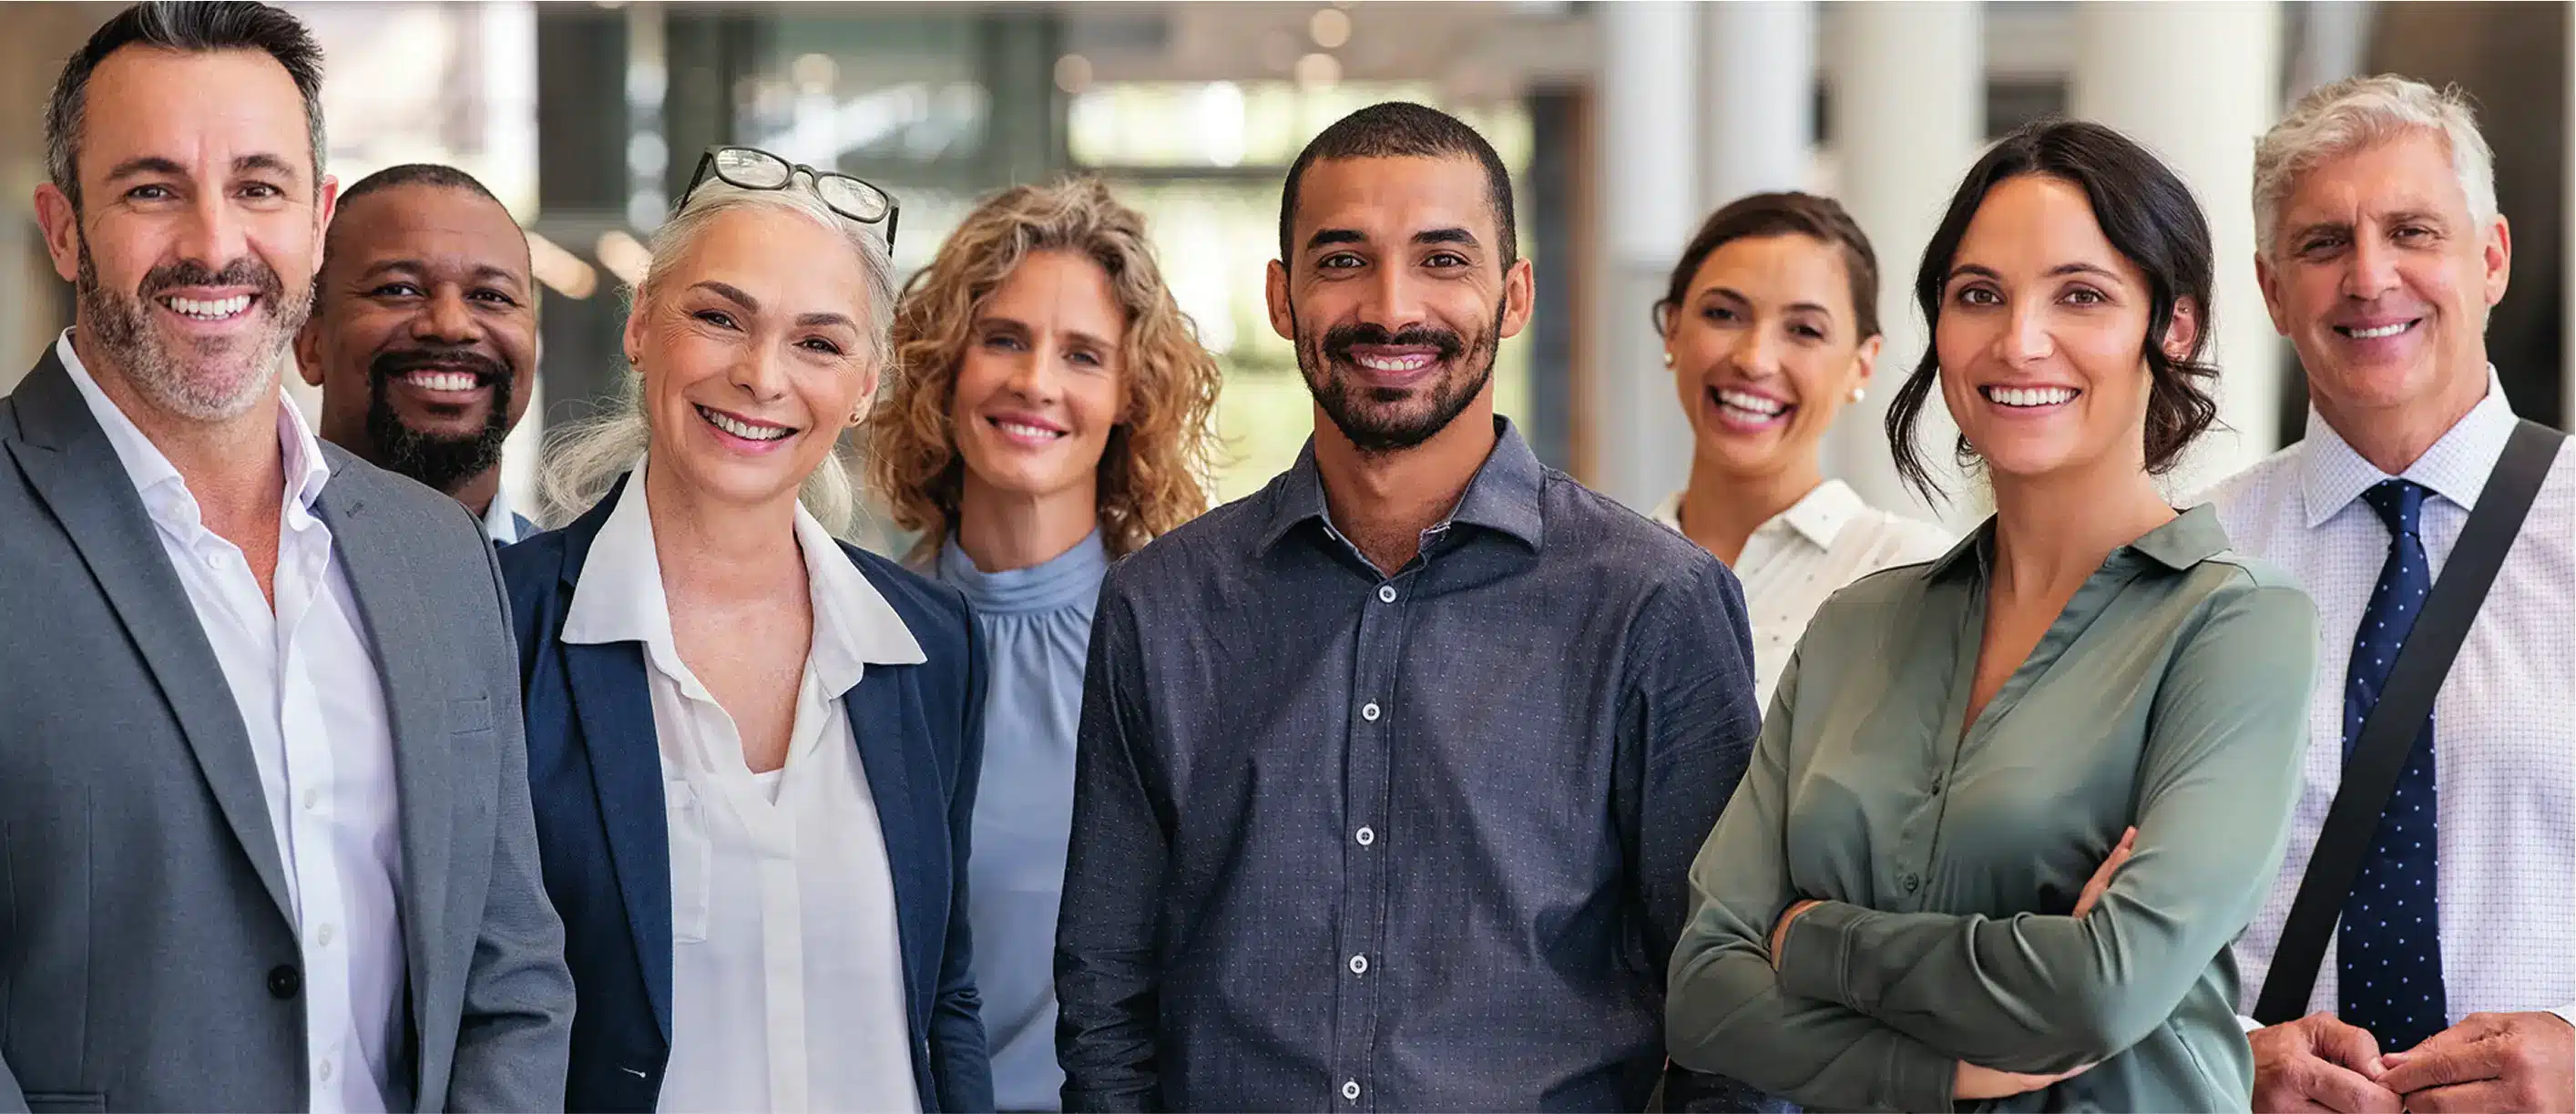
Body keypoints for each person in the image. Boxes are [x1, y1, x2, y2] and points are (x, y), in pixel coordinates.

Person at [1054, 100, 1764, 1111]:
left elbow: (1729, 1018)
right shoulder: (1159, 606)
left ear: (1513, 294)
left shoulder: (1653, 603)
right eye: (1342, 260)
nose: (1391, 308)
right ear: (1282, 295)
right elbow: (1106, 1000)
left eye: (1442, 259)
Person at [1667, 118, 2322, 1112]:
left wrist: (1809, 938)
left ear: (2172, 326)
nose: (2018, 339)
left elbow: (2102, 987)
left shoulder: (2236, 627)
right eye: (1978, 295)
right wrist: (1944, 1067)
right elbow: (1704, 995)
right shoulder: (1854, 626)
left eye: (2080, 295)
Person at [0, 4, 574, 1110]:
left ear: (314, 222)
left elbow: (509, 974)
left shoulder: (436, 552)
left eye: (258, 187)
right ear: (64, 227)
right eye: (153, 188)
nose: (215, 244)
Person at [502, 145, 990, 1112]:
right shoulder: (501, 620)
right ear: (642, 322)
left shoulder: (929, 641)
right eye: (719, 317)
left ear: (865, 385)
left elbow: (943, 993)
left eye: (818, 342)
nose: (761, 375)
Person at [2205, 75, 2576, 1114]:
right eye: (2322, 244)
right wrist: (2223, 1057)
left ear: (2491, 258)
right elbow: (2098, 917)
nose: (2368, 278)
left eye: (2411, 231)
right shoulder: (2188, 561)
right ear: (2271, 289)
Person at [864, 176, 1221, 1112]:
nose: (1035, 382)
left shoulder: (1185, 649)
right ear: (946, 365)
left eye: (1082, 355)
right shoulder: (853, 634)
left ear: (1128, 397)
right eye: (1004, 339)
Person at [1651, 190, 1952, 706]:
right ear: (1674, 329)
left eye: (1804, 330)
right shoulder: (1600, 570)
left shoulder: (1915, 577)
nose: (1755, 360)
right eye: (1724, 314)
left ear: (1862, 362)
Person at [296, 162, 540, 543]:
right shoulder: (231, 580)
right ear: (308, 342)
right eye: (398, 290)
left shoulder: (585, 594)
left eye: (491, 296)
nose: (450, 325)